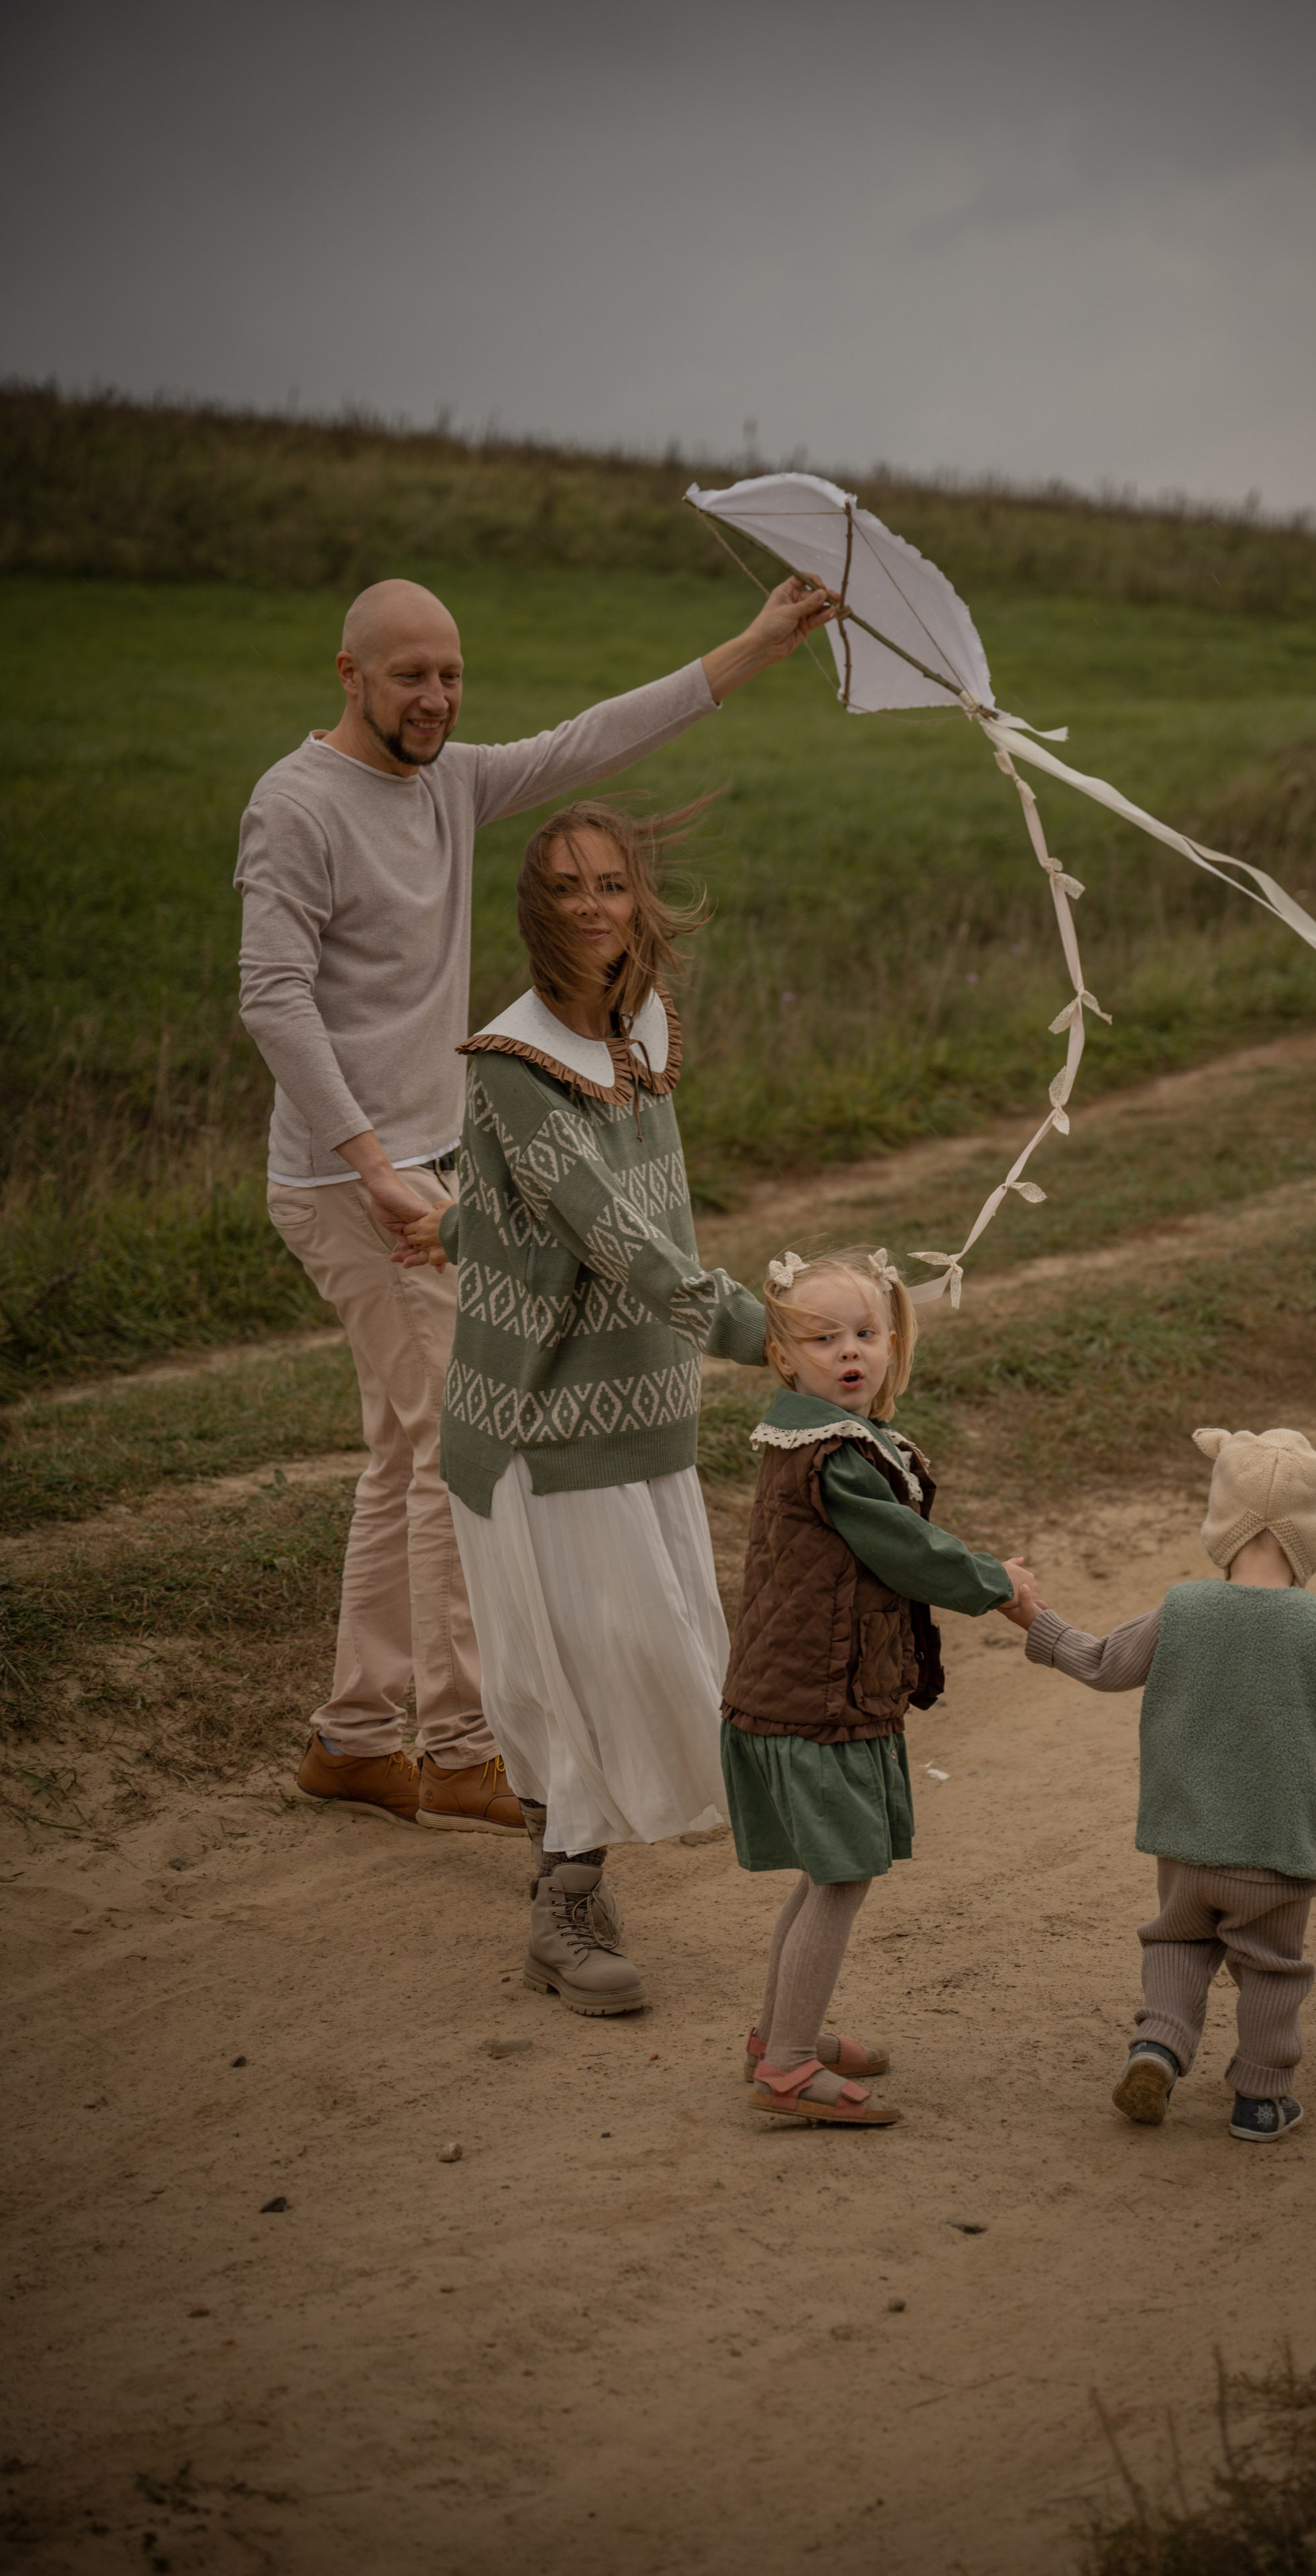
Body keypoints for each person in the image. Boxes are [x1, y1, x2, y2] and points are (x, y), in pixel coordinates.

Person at [236, 571, 833, 1833]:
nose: (436, 699)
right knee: (465, 1445)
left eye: (450, 675)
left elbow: (593, 738)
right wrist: (374, 1164)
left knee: (410, 1449)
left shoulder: (448, 780)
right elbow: (273, 998)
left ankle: (358, 1735)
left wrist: (759, 646)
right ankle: (456, 1745)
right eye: (409, 676)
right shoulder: (297, 806)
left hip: (433, 1170)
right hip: (352, 1183)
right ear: (349, 676)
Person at [398, 797, 771, 2010]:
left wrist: (463, 1222)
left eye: (610, 884)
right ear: (532, 909)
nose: (592, 907)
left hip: (641, 1403)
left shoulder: (639, 1031)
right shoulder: (513, 1061)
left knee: (648, 1651)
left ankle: (574, 1875)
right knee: (582, 1666)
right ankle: (562, 1908)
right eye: (564, 888)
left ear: (638, 900)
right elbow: (611, 1234)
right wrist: (759, 1333)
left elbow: (561, 1198)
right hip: (540, 1424)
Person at [1002, 1425, 1316, 2143]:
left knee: (1176, 1944)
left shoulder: (1183, 1608)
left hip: (1187, 1841)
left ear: (1220, 1521)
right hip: (1277, 1849)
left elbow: (1103, 1663)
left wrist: (1035, 1620)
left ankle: (1158, 2048)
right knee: (1270, 1968)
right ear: (1314, 1532)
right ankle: (1260, 2100)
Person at [722, 1248, 1029, 2127]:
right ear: (783, 1358)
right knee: (843, 1875)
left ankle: (780, 2033)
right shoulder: (832, 1458)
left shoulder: (824, 1439)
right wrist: (993, 1580)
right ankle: (785, 2065)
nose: (846, 1351)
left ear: (893, 1342)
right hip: (818, 1699)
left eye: (863, 1333)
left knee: (827, 1871)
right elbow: (906, 1549)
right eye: (822, 1339)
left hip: (799, 1687)